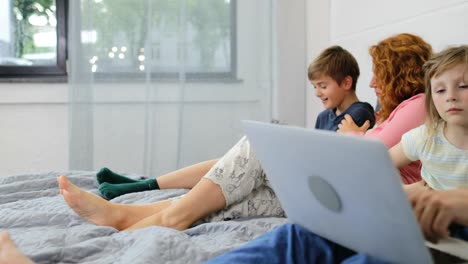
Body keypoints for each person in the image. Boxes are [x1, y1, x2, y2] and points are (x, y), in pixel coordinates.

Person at [55, 33, 431, 233]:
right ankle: (129, 218)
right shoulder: (395, 110)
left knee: (256, 147)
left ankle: (158, 214)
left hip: (358, 196)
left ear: (400, 71)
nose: (376, 82)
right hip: (345, 192)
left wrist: (352, 138)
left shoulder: (417, 104)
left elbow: (371, 155)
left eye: (381, 72)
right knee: (234, 198)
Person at [206, 45, 468, 264]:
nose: (451, 97)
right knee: (302, 234)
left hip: (450, 240)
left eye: (463, 86)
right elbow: (378, 168)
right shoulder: (424, 136)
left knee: (376, 257)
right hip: (412, 223)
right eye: (441, 90)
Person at [96, 45, 376, 200]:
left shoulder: (360, 114)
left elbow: (333, 162)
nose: (317, 93)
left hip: (309, 187)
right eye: (315, 86)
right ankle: (145, 184)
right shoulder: (324, 116)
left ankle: (143, 186)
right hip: (299, 174)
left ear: (347, 82)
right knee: (232, 161)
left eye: (322, 86)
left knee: (238, 163)